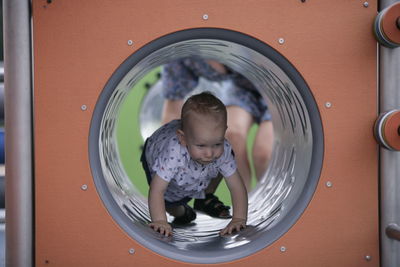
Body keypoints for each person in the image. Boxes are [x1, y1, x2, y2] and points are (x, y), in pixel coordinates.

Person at [141, 92, 248, 237]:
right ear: (183, 138)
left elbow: (236, 186)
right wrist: (160, 221)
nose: (209, 153)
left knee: (223, 161)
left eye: (217, 143)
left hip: (196, 170)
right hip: (155, 155)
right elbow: (157, 190)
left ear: (224, 133)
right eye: (201, 145)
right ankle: (184, 212)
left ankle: (205, 197)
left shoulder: (222, 149)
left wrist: (239, 219)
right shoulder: (173, 153)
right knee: (171, 205)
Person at [161, 57, 274, 191]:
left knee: (263, 153)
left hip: (277, 85)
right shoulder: (184, 56)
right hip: (243, 88)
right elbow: (172, 110)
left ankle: (274, 202)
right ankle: (247, 202)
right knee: (231, 135)